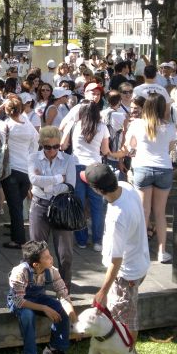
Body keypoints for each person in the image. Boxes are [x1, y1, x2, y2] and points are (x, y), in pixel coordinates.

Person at [82, 163, 150, 343]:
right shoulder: (126, 187)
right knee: (127, 314)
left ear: (97, 190)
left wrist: (102, 292)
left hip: (126, 275)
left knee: (125, 321)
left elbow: (116, 261)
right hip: (140, 263)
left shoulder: (117, 217)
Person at [7, 240, 76, 354]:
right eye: (47, 257)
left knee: (61, 310)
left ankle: (54, 349)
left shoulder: (52, 271)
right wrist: (44, 308)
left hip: (38, 298)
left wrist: (73, 315)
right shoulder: (19, 272)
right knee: (27, 316)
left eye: (50, 255)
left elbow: (63, 295)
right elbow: (19, 301)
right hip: (21, 301)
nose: (51, 259)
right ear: (36, 264)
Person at [126, 94, 175, 263]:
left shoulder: (137, 124)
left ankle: (140, 251)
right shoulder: (169, 127)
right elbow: (170, 147)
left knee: (143, 212)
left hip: (142, 167)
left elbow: (130, 145)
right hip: (164, 169)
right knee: (160, 213)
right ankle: (162, 251)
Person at [28, 126, 77, 288]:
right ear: (42, 145)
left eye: (56, 146)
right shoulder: (33, 158)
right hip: (39, 206)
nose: (52, 151)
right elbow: (34, 180)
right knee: (36, 251)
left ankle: (64, 288)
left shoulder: (69, 159)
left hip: (60, 207)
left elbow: (70, 185)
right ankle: (37, 286)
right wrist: (58, 179)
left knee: (65, 254)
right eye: (48, 147)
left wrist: (46, 184)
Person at [0, 96, 38, 249]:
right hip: (26, 171)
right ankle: (17, 231)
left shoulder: (6, 127)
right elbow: (34, 147)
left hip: (10, 171)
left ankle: (18, 239)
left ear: (8, 111)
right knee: (17, 204)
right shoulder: (29, 127)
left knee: (15, 207)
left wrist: (3, 104)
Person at [61, 100, 109, 250]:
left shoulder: (74, 125)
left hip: (77, 167)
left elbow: (63, 145)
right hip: (95, 167)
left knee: (79, 204)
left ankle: (81, 240)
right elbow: (105, 150)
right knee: (97, 206)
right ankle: (97, 241)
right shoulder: (102, 127)